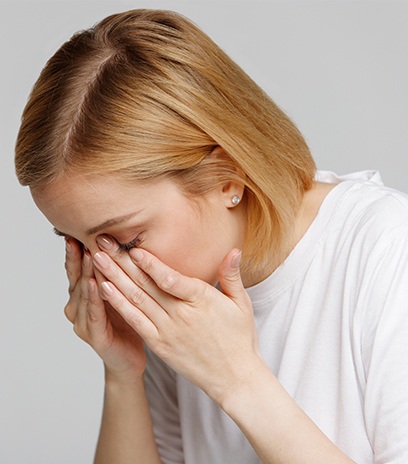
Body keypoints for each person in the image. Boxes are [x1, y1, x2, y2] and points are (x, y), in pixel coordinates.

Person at [14, 8, 408, 464]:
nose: (107, 275)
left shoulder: (386, 249)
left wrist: (239, 381)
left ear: (228, 176)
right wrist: (123, 374)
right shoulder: (176, 301)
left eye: (125, 241)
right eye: (79, 245)